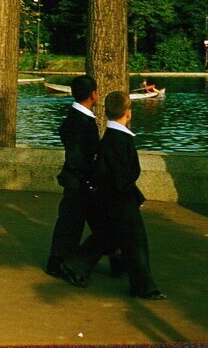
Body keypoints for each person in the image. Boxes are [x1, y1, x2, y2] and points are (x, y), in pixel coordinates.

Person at [71, 92, 166, 300]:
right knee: (135, 242)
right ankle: (143, 286)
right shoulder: (120, 139)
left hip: (113, 195)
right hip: (120, 198)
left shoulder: (113, 137)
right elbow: (127, 173)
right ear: (128, 113)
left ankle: (76, 266)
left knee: (108, 236)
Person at [46, 75, 121, 285]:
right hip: (81, 181)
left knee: (78, 224)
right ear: (94, 94)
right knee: (76, 225)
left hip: (78, 180)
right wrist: (91, 180)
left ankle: (62, 263)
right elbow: (80, 157)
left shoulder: (74, 118)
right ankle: (65, 265)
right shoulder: (82, 122)